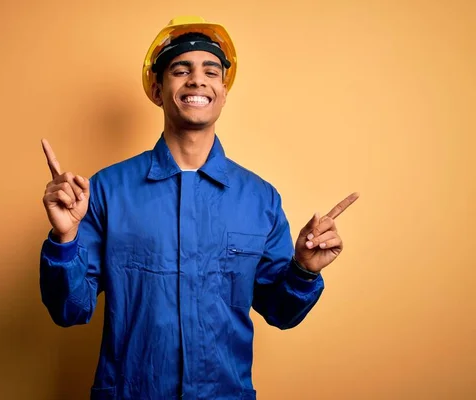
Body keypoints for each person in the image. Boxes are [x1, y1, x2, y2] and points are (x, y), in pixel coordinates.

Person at [39, 16, 359, 400]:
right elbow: (70, 310)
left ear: (223, 92)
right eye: (180, 69)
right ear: (157, 90)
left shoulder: (260, 199)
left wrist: (304, 271)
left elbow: (281, 312)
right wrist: (65, 237)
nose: (197, 79)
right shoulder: (107, 190)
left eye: (211, 71)